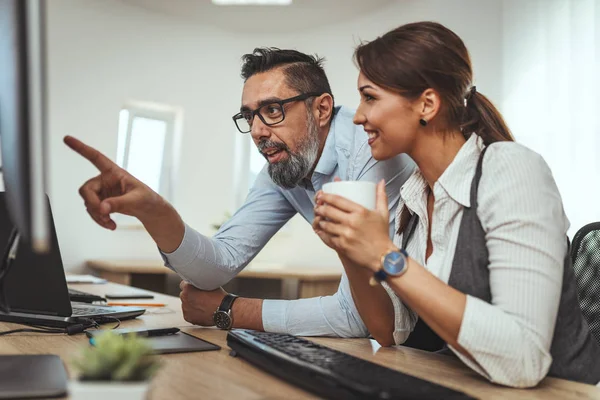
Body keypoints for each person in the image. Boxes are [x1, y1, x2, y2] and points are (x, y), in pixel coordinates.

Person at [312, 21, 600, 387]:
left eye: (370, 97)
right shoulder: (416, 197)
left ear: (426, 104)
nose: (357, 116)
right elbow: (389, 331)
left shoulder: (511, 170)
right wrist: (352, 249)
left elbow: (524, 360)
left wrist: (385, 255)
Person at [64, 48, 415, 337]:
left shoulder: (369, 150)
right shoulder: (284, 166)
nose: (258, 131)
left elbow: (358, 316)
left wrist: (228, 309)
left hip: (425, 342)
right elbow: (218, 264)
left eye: (273, 110)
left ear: (321, 109)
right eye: (249, 117)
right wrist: (155, 211)